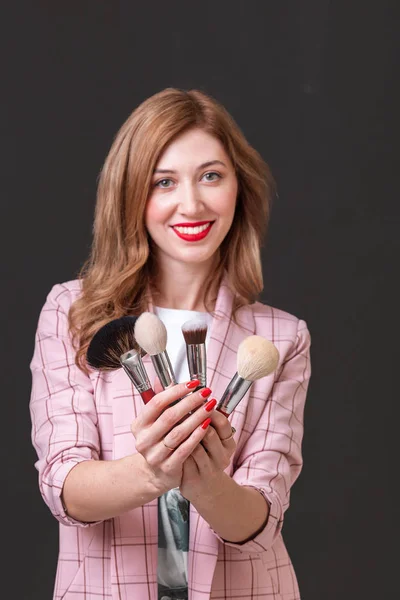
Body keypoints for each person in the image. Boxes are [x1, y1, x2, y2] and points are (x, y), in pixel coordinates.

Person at [29, 87, 312, 600]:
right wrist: (153, 471)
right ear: (131, 194)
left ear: (237, 187)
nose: (192, 203)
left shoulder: (281, 338)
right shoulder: (73, 313)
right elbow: (63, 486)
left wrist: (206, 482)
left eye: (211, 175)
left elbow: (260, 523)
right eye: (164, 181)